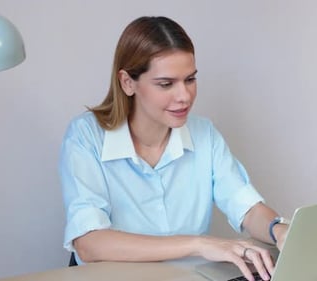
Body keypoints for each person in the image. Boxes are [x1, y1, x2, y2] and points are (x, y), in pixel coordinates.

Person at [59, 16, 288, 281]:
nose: (185, 96)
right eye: (166, 84)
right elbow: (89, 243)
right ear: (127, 82)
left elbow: (247, 208)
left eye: (190, 79)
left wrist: (278, 230)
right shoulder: (85, 136)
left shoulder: (205, 134)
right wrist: (200, 244)